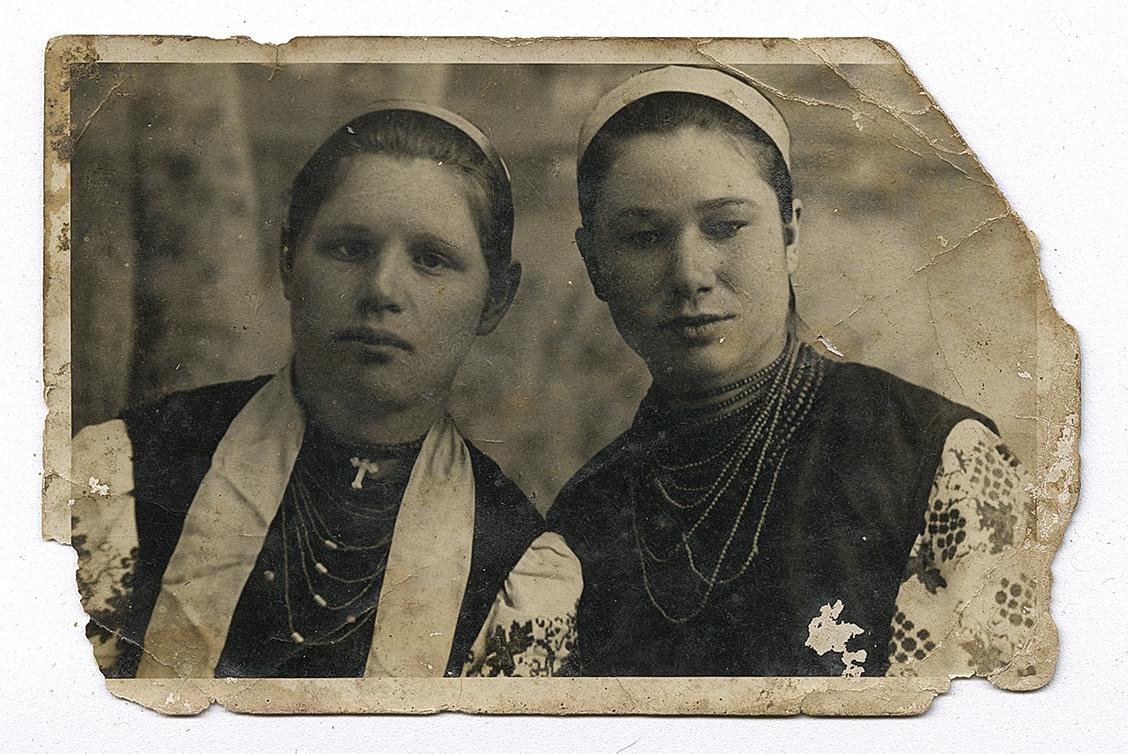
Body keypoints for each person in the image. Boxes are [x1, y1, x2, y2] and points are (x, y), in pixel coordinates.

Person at [548, 66, 1036, 677]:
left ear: (790, 235)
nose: (689, 274)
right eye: (644, 237)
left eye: (726, 227)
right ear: (594, 263)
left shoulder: (930, 457)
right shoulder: (585, 513)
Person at [71, 103, 580, 679]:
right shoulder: (128, 471)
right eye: (349, 248)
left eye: (431, 260)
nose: (382, 289)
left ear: (495, 298)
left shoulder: (516, 562)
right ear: (288, 261)